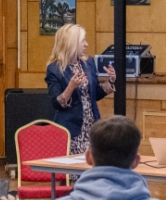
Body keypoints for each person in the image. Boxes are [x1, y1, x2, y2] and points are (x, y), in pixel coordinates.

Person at [44, 24, 115, 154]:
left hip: (92, 127)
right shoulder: (54, 69)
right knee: (74, 172)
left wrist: (110, 81)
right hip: (72, 130)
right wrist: (70, 87)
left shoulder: (89, 63)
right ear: (71, 43)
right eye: (82, 41)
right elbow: (57, 104)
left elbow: (94, 95)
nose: (86, 44)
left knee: (92, 168)